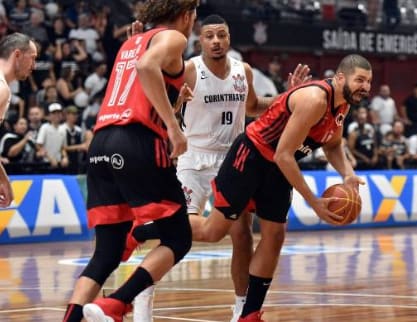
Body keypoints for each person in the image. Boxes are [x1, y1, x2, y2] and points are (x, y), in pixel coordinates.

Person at [126, 14, 311, 322]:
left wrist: (288, 96)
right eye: (209, 36)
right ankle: (143, 289)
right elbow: (159, 108)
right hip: (193, 159)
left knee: (241, 236)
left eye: (221, 35)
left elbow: (252, 107)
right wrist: (174, 105)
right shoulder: (187, 70)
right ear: (200, 39)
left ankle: (241, 308)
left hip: (233, 159)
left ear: (229, 38)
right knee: (181, 232)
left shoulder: (244, 71)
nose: (215, 41)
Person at [186, 54, 370, 321]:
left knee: (275, 235)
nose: (365, 87)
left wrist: (347, 173)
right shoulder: (316, 99)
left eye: (368, 82)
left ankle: (249, 314)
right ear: (341, 77)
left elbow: (332, 145)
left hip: (278, 167)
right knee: (212, 231)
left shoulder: (343, 105)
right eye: (360, 80)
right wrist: (313, 201)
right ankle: (150, 225)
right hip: (251, 157)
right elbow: (283, 154)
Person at [61, 1, 199, 322]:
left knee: (106, 254)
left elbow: (141, 82)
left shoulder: (130, 42)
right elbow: (147, 68)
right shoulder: (174, 37)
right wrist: (174, 127)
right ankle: (117, 303)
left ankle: (71, 319)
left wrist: (174, 104)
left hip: (100, 144)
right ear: (186, 14)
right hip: (136, 142)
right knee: (178, 238)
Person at [0, 32, 37, 207]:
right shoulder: (2, 89)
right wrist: (4, 180)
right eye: (32, 58)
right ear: (17, 55)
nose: (34, 66)